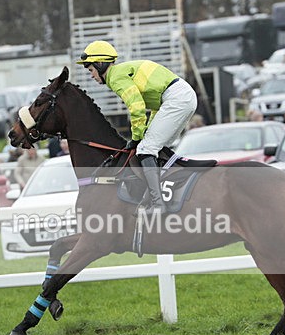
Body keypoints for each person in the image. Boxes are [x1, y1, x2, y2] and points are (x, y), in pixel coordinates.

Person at [76, 40, 197, 216]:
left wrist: (136, 138)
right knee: (155, 148)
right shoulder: (121, 73)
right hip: (180, 97)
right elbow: (155, 106)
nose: (91, 75)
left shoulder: (116, 77)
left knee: (146, 149)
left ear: (100, 64)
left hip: (177, 99)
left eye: (91, 70)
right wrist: (146, 131)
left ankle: (157, 203)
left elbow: (137, 107)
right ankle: (159, 193)